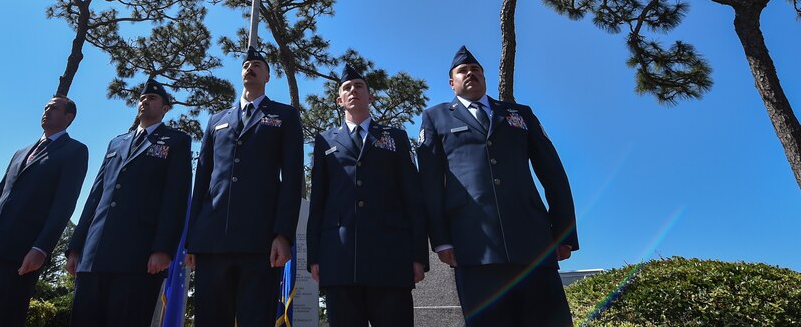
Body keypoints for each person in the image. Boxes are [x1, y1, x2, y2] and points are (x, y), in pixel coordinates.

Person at [416, 46, 578, 327]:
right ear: (451, 83)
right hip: (474, 247)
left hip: (533, 243)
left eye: (476, 70)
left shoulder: (519, 114)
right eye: (463, 71)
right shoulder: (436, 117)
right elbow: (430, 185)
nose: (471, 73)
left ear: (485, 77)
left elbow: (553, 175)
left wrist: (564, 234)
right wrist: (440, 239)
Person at [185, 47, 304, 327]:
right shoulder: (217, 120)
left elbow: (292, 179)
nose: (250, 68)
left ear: (267, 75)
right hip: (212, 242)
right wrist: (193, 238)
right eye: (246, 64)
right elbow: (202, 178)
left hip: (260, 242)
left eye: (257, 65)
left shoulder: (284, 115)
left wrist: (283, 234)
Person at [307, 64, 428, 327]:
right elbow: (318, 201)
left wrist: (418, 255)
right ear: (340, 101)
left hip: (390, 259)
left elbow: (413, 198)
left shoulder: (395, 137)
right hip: (339, 260)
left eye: (359, 86)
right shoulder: (325, 141)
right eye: (347, 88)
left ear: (370, 96)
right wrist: (314, 257)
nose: (353, 91)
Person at [65, 78, 192, 327]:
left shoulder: (176, 141)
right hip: (94, 256)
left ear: (165, 108)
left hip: (137, 257)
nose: (145, 101)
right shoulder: (117, 142)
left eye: (153, 98)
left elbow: (175, 197)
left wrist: (163, 249)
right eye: (142, 98)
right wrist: (76, 247)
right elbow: (95, 196)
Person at [0, 96, 89, 327]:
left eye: (54, 108)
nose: (46, 111)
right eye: (45, 107)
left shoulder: (74, 151)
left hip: (21, 254)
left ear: (69, 118)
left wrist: (41, 248)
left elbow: (64, 204)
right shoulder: (21, 152)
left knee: (2, 318)